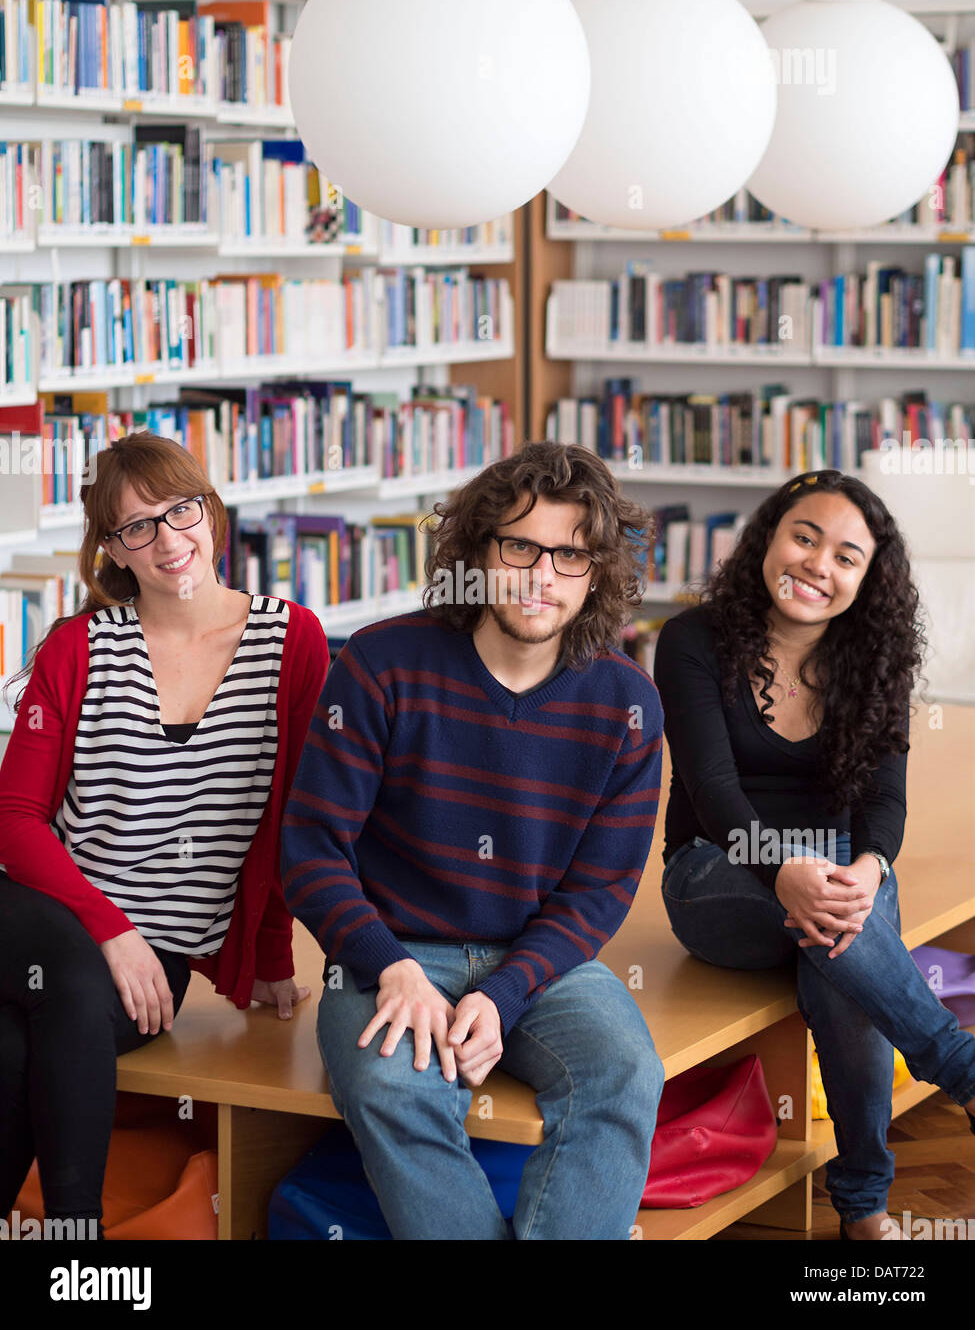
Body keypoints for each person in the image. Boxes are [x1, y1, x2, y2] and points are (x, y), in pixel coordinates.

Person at [281, 441, 665, 1240]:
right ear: (479, 550)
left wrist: (506, 990)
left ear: (597, 571)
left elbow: (599, 893)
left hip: (540, 962)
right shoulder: (383, 664)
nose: (541, 575)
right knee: (395, 1091)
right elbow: (311, 849)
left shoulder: (625, 702)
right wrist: (387, 966)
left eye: (569, 554)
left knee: (623, 1074)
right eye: (520, 545)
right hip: (390, 950)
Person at [0, 431, 329, 1238]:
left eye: (178, 510)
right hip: (43, 910)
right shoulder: (80, 648)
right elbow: (15, 821)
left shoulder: (291, 642)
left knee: (11, 1045)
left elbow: (298, 810)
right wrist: (111, 930)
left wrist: (271, 954)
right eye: (135, 526)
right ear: (112, 549)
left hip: (160, 960)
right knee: (70, 979)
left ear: (209, 512)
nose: (167, 540)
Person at [652, 468, 975, 1242]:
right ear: (769, 537)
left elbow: (883, 805)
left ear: (865, 580)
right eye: (804, 537)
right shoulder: (692, 641)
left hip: (835, 876)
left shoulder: (875, 660)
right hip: (714, 872)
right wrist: (784, 869)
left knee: (839, 954)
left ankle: (861, 1209)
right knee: (845, 930)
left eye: (844, 557)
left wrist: (870, 868)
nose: (816, 566)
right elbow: (716, 794)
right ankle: (958, 1072)